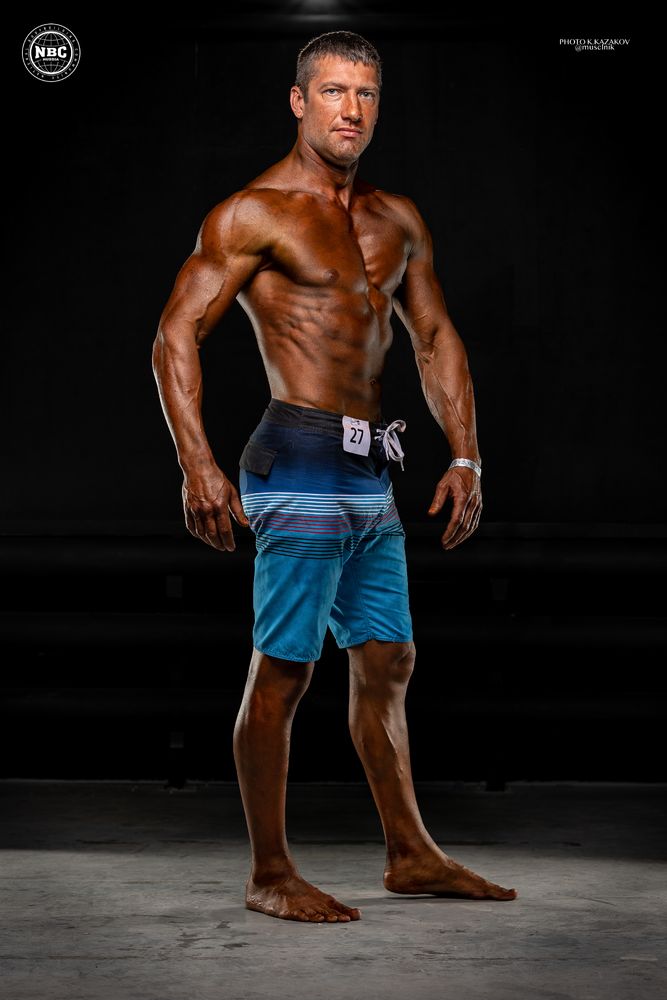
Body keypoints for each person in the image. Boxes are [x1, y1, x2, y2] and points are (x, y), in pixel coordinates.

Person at [152, 30, 517, 923]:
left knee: (388, 656)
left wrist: (464, 454)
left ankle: (410, 854)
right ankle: (269, 872)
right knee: (284, 668)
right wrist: (196, 463)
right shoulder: (253, 213)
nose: (350, 110)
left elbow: (434, 337)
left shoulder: (396, 219)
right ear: (298, 101)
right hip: (297, 456)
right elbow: (173, 334)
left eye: (365, 94)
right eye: (332, 92)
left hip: (369, 463)